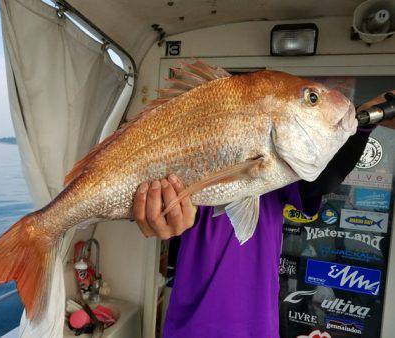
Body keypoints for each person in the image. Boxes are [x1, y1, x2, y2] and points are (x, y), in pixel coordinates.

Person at [132, 95, 395, 338]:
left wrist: (361, 124)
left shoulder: (278, 171)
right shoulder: (190, 164)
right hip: (190, 327)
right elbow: (156, 210)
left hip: (256, 327)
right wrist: (158, 216)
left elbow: (322, 182)